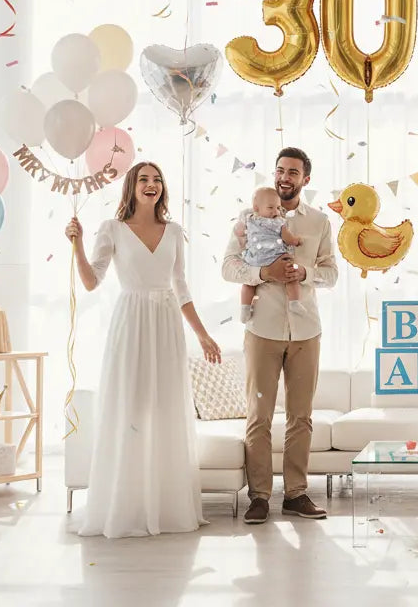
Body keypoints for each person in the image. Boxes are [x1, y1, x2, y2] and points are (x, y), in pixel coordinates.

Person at [65, 162, 221, 539]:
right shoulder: (113, 229)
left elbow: (181, 288)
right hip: (131, 321)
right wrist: (77, 244)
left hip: (166, 322)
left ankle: (166, 508)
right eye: (143, 180)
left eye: (157, 180)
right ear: (131, 187)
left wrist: (202, 335)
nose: (151, 185)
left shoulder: (174, 232)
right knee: (130, 410)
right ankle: (128, 507)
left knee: (165, 409)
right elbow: (91, 282)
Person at [222, 147, 339, 524]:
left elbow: (332, 273)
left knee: (300, 417)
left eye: (293, 172)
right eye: (279, 170)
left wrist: (304, 274)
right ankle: (259, 497)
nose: (284, 177)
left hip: (306, 330)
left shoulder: (319, 222)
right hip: (262, 329)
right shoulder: (248, 217)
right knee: (258, 416)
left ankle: (296, 494)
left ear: (305, 179)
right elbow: (228, 267)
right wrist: (263, 274)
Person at [234, 186, 306, 323]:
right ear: (256, 208)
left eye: (278, 208)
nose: (276, 212)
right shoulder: (280, 223)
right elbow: (288, 238)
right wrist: (297, 240)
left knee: (248, 285)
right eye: (271, 207)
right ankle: (294, 302)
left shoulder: (249, 220)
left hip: (255, 260)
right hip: (276, 258)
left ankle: (245, 308)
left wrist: (239, 231)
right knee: (291, 277)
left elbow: (239, 232)